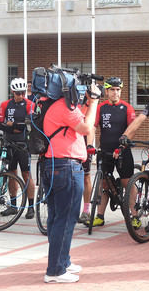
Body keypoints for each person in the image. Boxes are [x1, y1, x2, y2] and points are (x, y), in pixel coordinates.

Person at [41, 80, 101, 283]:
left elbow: (77, 119)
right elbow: (85, 127)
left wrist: (86, 104)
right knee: (64, 219)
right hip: (65, 167)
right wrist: (93, 103)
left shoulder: (56, 106)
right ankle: (55, 270)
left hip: (54, 165)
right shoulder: (65, 107)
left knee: (58, 217)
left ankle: (63, 261)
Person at [90, 77, 136, 226]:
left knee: (127, 182)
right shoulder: (101, 107)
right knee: (103, 183)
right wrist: (91, 145)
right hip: (105, 151)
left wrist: (122, 147)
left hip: (123, 151)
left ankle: (134, 216)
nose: (115, 93)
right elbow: (92, 127)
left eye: (118, 90)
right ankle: (100, 216)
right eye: (112, 90)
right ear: (107, 91)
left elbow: (132, 129)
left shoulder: (127, 107)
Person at [0, 78, 35, 219]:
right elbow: (0, 125)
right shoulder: (5, 105)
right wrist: (15, 125)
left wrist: (12, 124)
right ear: (12, 91)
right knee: (11, 174)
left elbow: (28, 125)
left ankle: (30, 207)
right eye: (18, 93)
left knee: (26, 175)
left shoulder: (29, 104)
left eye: (23, 92)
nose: (20, 95)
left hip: (23, 144)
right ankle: (13, 206)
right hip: (8, 142)